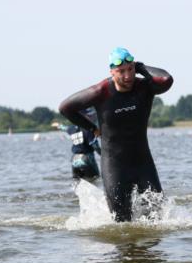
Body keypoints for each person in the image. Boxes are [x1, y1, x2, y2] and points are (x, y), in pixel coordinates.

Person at [58, 47, 173, 221]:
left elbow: (166, 79)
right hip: (115, 167)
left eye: (131, 69)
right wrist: (92, 128)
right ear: (112, 71)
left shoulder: (144, 87)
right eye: (121, 71)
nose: (127, 76)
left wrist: (141, 67)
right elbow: (65, 108)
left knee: (158, 217)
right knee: (121, 222)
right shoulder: (101, 91)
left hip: (144, 164)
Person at [63, 108, 100, 182]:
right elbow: (94, 145)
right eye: (90, 116)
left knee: (77, 183)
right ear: (84, 117)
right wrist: (103, 154)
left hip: (74, 160)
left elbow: (64, 128)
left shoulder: (71, 128)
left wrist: (58, 126)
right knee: (95, 179)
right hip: (86, 159)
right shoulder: (89, 129)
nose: (92, 118)